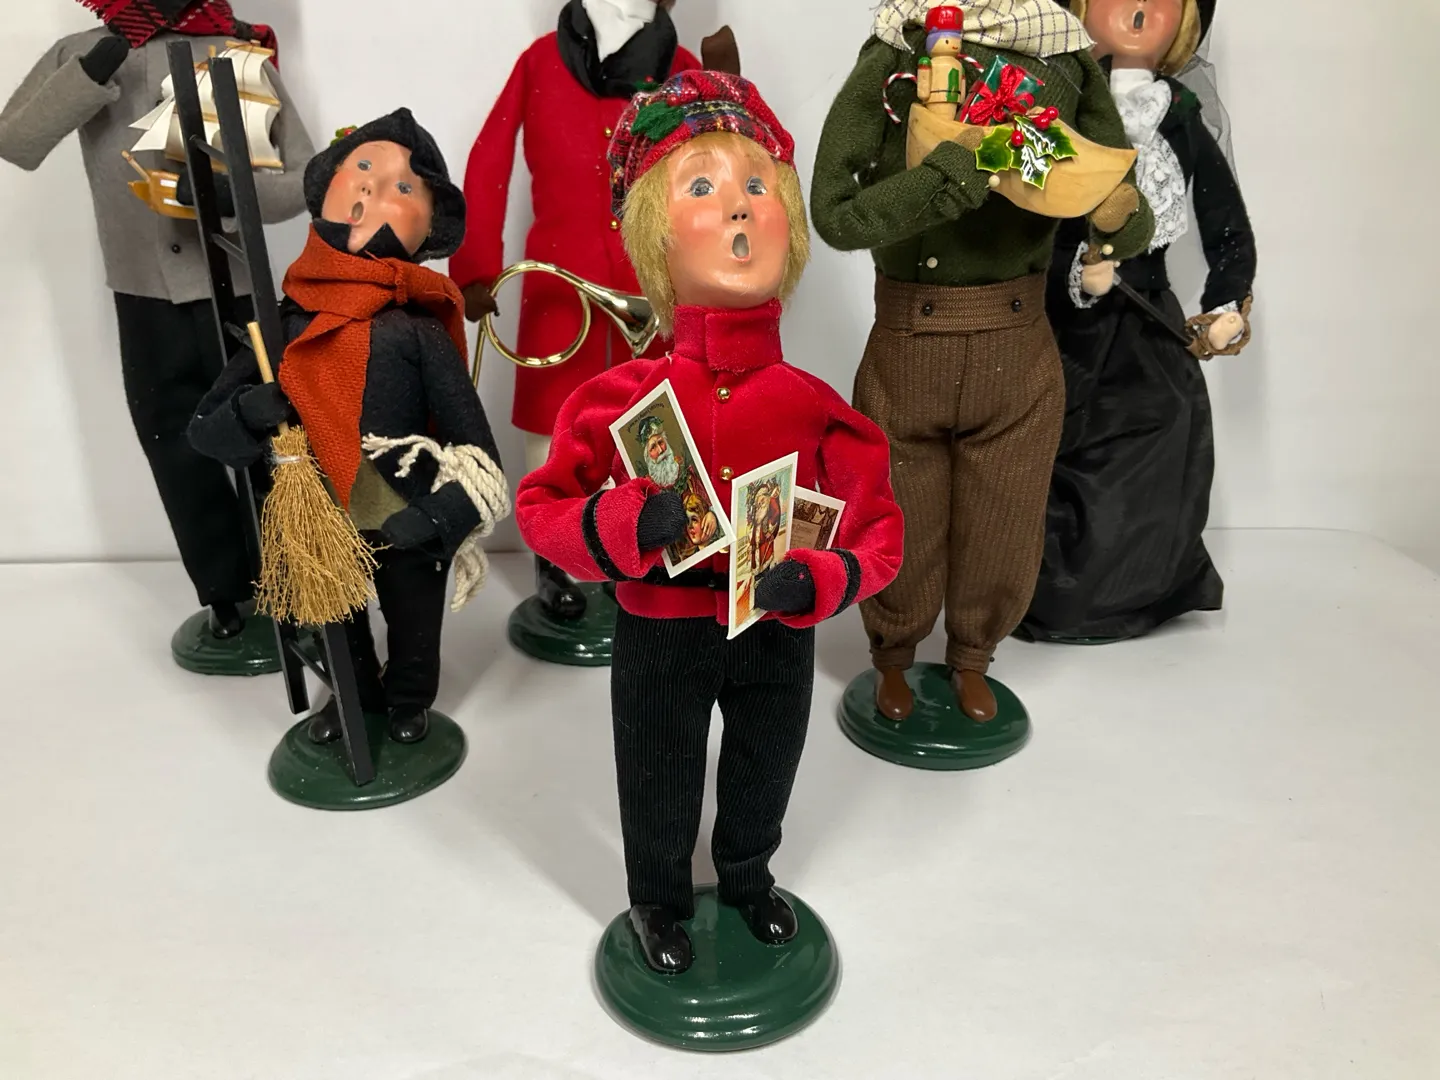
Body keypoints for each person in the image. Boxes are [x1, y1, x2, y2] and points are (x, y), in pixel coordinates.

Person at [517, 71, 904, 975]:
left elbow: (879, 532)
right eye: (702, 187)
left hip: (775, 627)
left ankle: (747, 876)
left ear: (790, 226)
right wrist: (620, 523)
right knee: (656, 771)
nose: (738, 207)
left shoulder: (816, 407)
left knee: (766, 764)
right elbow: (540, 511)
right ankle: (655, 901)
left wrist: (824, 578)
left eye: (758, 188)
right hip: (660, 629)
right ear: (655, 233)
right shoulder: (617, 400)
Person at [811, 0, 1154, 722]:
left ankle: (973, 657)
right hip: (910, 338)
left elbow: (1120, 201)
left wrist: (1119, 218)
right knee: (899, 511)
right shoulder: (899, 51)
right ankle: (893, 656)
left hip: (1018, 342)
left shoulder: (1065, 60)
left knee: (1006, 519)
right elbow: (836, 214)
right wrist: (939, 180)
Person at [0, 0, 314, 662]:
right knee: (173, 443)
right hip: (143, 295)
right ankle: (225, 592)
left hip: (236, 289)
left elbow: (304, 178)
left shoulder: (237, 53)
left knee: (274, 440)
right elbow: (17, 139)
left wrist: (236, 196)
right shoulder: (85, 52)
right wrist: (97, 66)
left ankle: (301, 583)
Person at [189, 110, 507, 745]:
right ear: (325, 187)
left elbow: (479, 453)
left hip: (403, 506)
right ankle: (353, 694)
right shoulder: (281, 326)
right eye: (361, 167)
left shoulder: (417, 333)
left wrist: (437, 516)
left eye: (402, 186)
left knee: (414, 613)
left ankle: (409, 697)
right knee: (335, 617)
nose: (372, 187)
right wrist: (250, 412)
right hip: (316, 511)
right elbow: (204, 431)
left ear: (430, 227)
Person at [451, 0, 701, 622]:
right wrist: (476, 267)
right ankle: (555, 560)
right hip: (558, 282)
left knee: (651, 422)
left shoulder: (684, 69)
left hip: (654, 280)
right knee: (551, 423)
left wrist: (733, 86)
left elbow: (719, 168)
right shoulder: (540, 63)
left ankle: (631, 551)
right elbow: (489, 158)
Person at [1020, 0, 1256, 643]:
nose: (1140, 6)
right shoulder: (1055, 107)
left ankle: (1143, 589)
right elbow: (1023, 216)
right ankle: (1050, 595)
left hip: (1151, 324)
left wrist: (1227, 304)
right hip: (1067, 324)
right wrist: (1074, 270)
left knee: (1166, 436)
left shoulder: (1178, 115)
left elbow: (1226, 224)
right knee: (1058, 448)